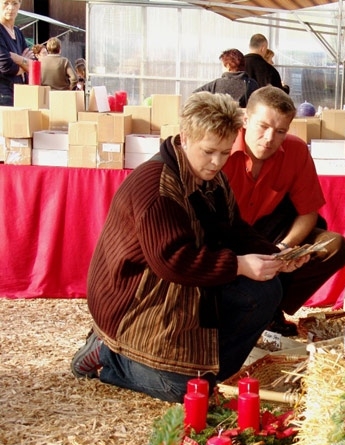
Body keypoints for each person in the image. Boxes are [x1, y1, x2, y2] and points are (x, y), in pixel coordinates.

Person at [70, 92, 309, 403]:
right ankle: (110, 356)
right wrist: (239, 265)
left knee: (264, 292)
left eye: (225, 152)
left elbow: (234, 229)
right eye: (209, 152)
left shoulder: (213, 178)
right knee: (182, 391)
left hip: (179, 282)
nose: (217, 162)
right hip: (135, 298)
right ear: (185, 138)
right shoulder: (156, 188)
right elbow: (172, 261)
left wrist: (275, 256)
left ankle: (209, 374)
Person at [223, 86, 345, 336]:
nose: (269, 138)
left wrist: (284, 248)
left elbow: (308, 212)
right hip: (224, 234)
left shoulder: (296, 150)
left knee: (335, 246)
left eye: (280, 131)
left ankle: (272, 310)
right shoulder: (222, 147)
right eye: (262, 126)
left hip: (268, 233)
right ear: (245, 120)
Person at [193, 48, 258, 108]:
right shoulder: (252, 84)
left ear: (228, 66)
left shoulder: (216, 84)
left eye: (222, 66)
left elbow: (194, 95)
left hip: (219, 116)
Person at [0, 0, 33, 106]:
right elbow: (5, 66)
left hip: (19, 93)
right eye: (6, 3)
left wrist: (18, 59)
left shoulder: (18, 32)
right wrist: (25, 62)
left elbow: (33, 65)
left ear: (20, 5)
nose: (11, 8)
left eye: (15, 3)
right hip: (3, 96)